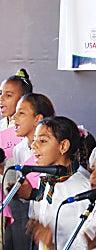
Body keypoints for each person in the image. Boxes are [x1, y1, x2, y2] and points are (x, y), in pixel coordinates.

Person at [16, 116, 91, 250]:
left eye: (42, 141)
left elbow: (89, 242)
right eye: (34, 140)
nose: (34, 146)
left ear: (63, 146)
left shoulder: (83, 187)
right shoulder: (46, 178)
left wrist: (51, 243)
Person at [5, 93, 55, 250]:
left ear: (37, 119)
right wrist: (21, 192)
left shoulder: (53, 150)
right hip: (35, 220)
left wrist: (32, 193)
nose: (14, 118)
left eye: (21, 113)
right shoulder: (19, 150)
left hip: (53, 226)